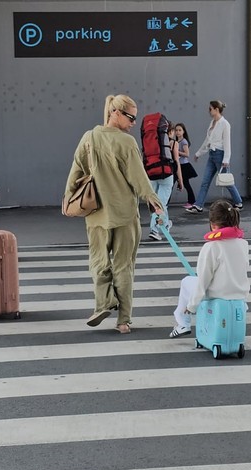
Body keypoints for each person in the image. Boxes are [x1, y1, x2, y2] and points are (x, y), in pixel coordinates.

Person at [65, 94, 164, 334]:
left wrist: (69, 200)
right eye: (130, 117)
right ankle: (123, 320)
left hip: (96, 214)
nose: (133, 122)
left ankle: (104, 303)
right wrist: (155, 203)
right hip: (124, 214)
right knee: (124, 266)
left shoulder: (88, 138)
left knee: (98, 262)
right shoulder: (126, 143)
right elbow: (139, 178)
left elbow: (75, 172)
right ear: (115, 113)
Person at [171, 199, 251, 338]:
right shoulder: (243, 244)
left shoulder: (211, 247)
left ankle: (182, 323)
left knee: (186, 281)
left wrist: (191, 306)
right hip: (239, 294)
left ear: (213, 225)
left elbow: (203, 281)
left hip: (217, 294)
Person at [186, 100, 243, 213]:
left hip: (220, 155)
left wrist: (226, 159)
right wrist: (198, 153)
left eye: (210, 109)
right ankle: (198, 205)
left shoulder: (225, 124)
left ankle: (238, 202)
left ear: (217, 109)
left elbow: (227, 143)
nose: (209, 111)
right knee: (205, 181)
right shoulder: (212, 122)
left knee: (226, 181)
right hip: (212, 155)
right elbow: (208, 141)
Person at [147, 123, 182, 241]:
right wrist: (180, 181)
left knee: (155, 202)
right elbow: (176, 162)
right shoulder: (173, 143)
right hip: (167, 175)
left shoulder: (152, 142)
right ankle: (155, 229)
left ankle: (166, 224)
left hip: (152, 174)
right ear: (170, 131)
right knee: (161, 203)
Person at [175, 123, 197, 208]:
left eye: (180, 130)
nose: (178, 132)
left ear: (183, 131)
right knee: (181, 183)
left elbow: (187, 154)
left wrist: (176, 151)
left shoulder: (184, 141)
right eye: (176, 130)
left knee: (186, 184)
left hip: (184, 165)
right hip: (178, 164)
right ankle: (191, 201)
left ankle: (192, 201)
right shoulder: (177, 141)